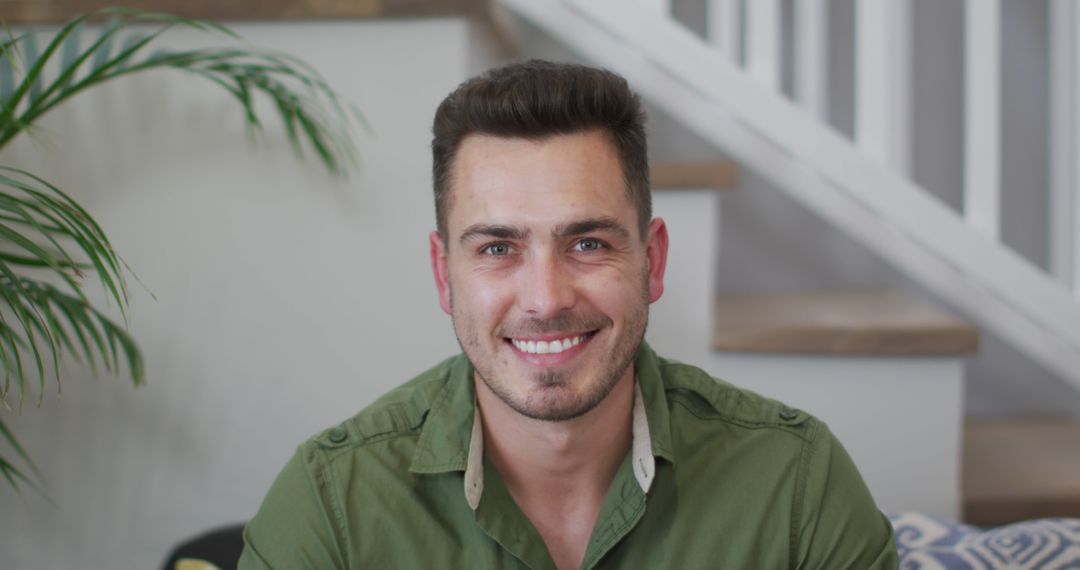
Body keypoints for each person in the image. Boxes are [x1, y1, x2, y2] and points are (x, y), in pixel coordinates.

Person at [239, 60, 899, 570]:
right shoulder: (331, 507)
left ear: (654, 260)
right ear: (445, 276)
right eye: (498, 248)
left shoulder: (796, 487)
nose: (546, 298)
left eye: (588, 244)